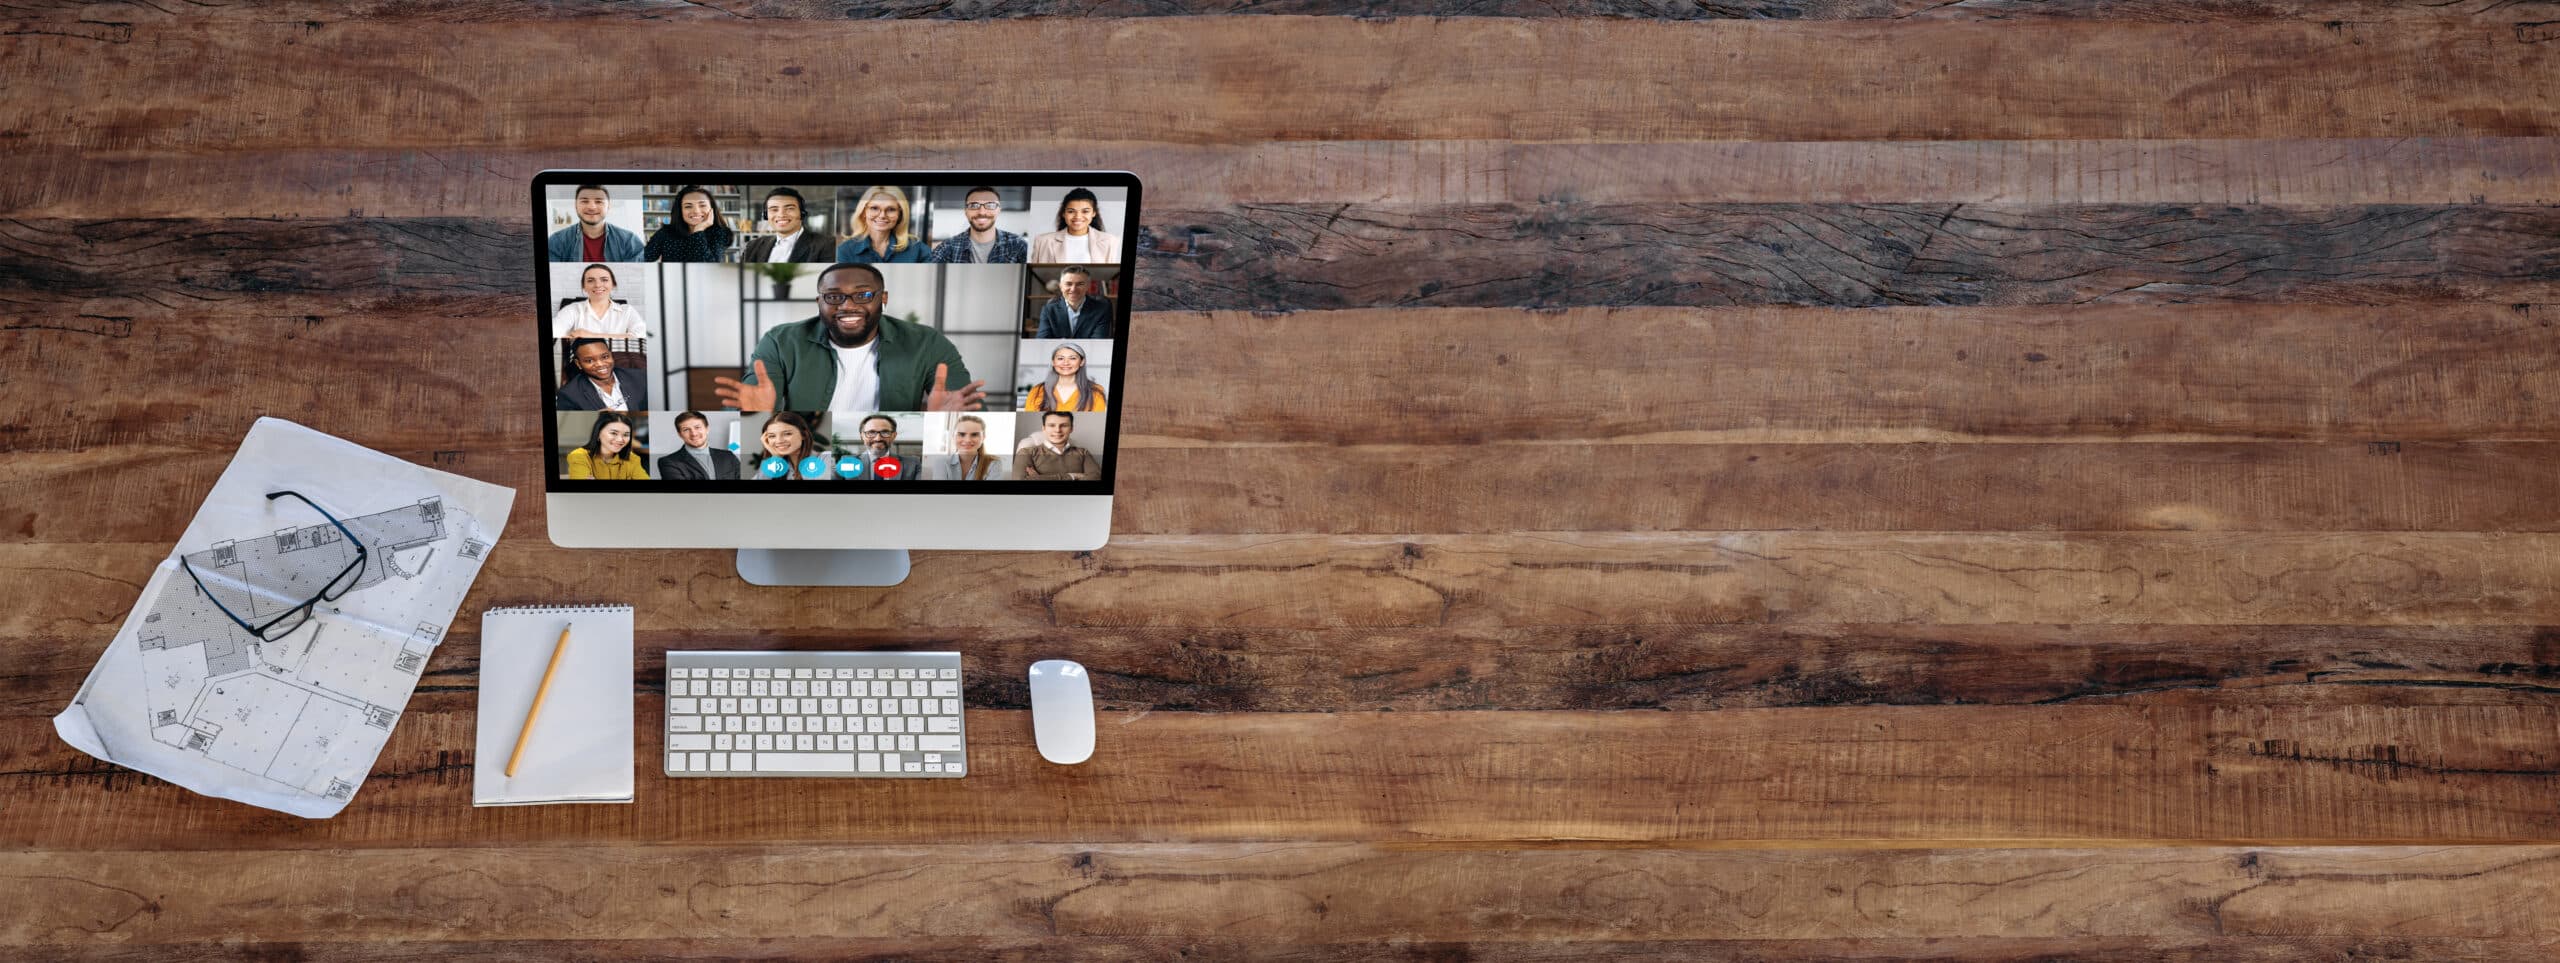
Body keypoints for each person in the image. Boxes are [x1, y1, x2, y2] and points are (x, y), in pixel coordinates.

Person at [711, 263, 985, 417]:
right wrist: (756, 414)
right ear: (820, 301)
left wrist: (940, 422)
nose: (847, 305)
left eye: (864, 295)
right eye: (834, 296)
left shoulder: (927, 342)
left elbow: (971, 414)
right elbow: (746, 419)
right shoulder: (780, 341)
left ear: (883, 298)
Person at [929, 185, 1027, 264]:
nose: (982, 212)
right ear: (966, 211)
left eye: (990, 205)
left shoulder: (1018, 245)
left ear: (998, 211)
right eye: (974, 205)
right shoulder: (947, 247)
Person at [546, 184, 644, 262]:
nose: (592, 207)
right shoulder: (556, 241)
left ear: (608, 206)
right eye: (584, 201)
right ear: (575, 205)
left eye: (598, 201)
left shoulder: (630, 241)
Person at [833, 185, 928, 263]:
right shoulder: (845, 250)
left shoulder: (917, 248)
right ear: (863, 212)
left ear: (900, 214)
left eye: (891, 209)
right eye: (874, 208)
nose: (882, 215)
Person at [739, 187, 834, 263]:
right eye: (774, 209)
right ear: (766, 215)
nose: (781, 215)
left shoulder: (827, 245)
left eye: (789, 208)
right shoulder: (752, 246)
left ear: (802, 213)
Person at [553, 263, 648, 338]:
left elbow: (641, 334)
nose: (598, 285)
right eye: (590, 280)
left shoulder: (628, 310)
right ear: (584, 286)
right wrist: (624, 336)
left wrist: (590, 336)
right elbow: (554, 332)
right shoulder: (572, 309)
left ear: (613, 285)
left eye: (604, 280)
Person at [643, 185, 733, 263]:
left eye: (702, 205)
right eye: (688, 206)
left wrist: (698, 230)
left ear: (712, 209)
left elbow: (709, 269)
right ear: (680, 210)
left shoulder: (720, 233)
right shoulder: (665, 233)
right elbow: (642, 259)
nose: (696, 211)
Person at [1028, 188, 1121, 263]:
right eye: (1071, 211)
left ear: (1094, 213)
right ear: (1063, 213)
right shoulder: (1043, 241)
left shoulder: (1110, 241)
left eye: (1085, 211)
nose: (1078, 217)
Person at [555, 338, 649, 412]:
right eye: (589, 361)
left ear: (611, 355)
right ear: (578, 364)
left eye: (605, 357)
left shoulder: (641, 378)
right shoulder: (568, 395)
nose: (600, 364)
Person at [740, 411, 829, 481]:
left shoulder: (825, 458)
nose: (779, 441)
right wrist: (776, 457)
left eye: (787, 434)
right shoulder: (777, 464)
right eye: (772, 436)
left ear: (803, 435)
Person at [657, 410, 740, 481]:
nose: (694, 434)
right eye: (686, 430)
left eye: (697, 427)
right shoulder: (668, 462)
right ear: (680, 434)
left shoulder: (728, 456)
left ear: (707, 429)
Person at [1023, 342, 1107, 412]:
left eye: (1072, 358)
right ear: (1053, 362)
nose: (1066, 363)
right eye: (1060, 358)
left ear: (1082, 362)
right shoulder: (1037, 390)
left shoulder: (1096, 391)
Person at [1016, 411, 1101, 480]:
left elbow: (1097, 477)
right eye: (1052, 425)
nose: (1057, 430)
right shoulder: (1026, 452)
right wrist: (1072, 476)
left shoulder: (1083, 452)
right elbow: (1020, 482)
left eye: (1064, 425)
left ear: (1071, 428)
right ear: (1044, 428)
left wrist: (1040, 478)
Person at [1034, 267, 1114, 340]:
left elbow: (1098, 342)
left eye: (1080, 284)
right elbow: (1042, 341)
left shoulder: (1102, 308)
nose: (1073, 289)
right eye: (1068, 284)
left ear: (1088, 286)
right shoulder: (1048, 309)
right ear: (1061, 286)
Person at [923, 414, 1009, 480]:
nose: (967, 440)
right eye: (962, 434)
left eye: (974, 435)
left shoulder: (993, 463)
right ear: (953, 437)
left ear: (983, 438)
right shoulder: (941, 462)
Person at [565, 412, 648, 480]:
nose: (620, 439)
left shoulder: (633, 459)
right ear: (598, 434)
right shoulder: (579, 456)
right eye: (613, 433)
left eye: (626, 435)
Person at [852, 413, 905, 480]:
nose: (878, 438)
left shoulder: (913, 464)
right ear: (862, 436)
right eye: (871, 432)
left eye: (885, 432)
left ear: (894, 436)